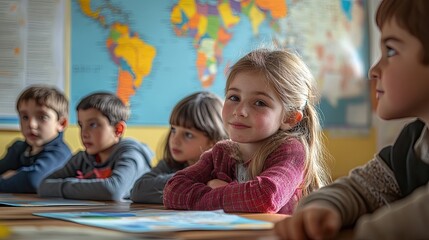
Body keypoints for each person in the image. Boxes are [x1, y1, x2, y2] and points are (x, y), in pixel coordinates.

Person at [274, 0, 429, 239]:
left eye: (391, 50)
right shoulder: (414, 140)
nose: (373, 70)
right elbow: (364, 188)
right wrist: (322, 208)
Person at [163, 49, 331, 214]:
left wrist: (220, 190)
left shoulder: (291, 152)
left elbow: (265, 197)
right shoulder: (222, 152)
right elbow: (173, 190)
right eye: (234, 98)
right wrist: (227, 196)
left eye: (259, 103)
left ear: (289, 118)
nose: (240, 111)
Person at [38, 92, 153, 201]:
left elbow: (113, 190)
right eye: (81, 125)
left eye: (93, 125)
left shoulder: (131, 154)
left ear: (118, 129)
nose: (84, 133)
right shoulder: (82, 158)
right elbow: (44, 185)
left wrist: (65, 186)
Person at [130, 91, 228, 204]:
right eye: (173, 130)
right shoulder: (169, 165)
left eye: (188, 134)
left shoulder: (226, 171)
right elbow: (138, 191)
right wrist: (197, 179)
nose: (174, 140)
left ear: (213, 141)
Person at [0, 85, 71, 193]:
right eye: (25, 117)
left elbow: (32, 180)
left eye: (42, 117)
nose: (31, 125)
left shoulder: (60, 152)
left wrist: (10, 176)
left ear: (61, 123)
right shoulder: (19, 147)